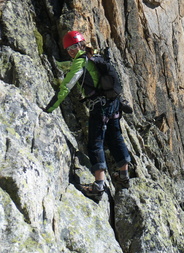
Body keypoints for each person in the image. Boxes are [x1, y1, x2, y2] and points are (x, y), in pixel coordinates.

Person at [45, 31, 131, 200]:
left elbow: (66, 87)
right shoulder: (94, 55)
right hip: (113, 102)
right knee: (115, 136)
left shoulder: (80, 62)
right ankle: (123, 175)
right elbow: (76, 68)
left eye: (72, 48)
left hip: (100, 106)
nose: (70, 51)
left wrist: (49, 108)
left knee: (95, 142)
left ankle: (98, 186)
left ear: (79, 45)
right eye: (68, 49)